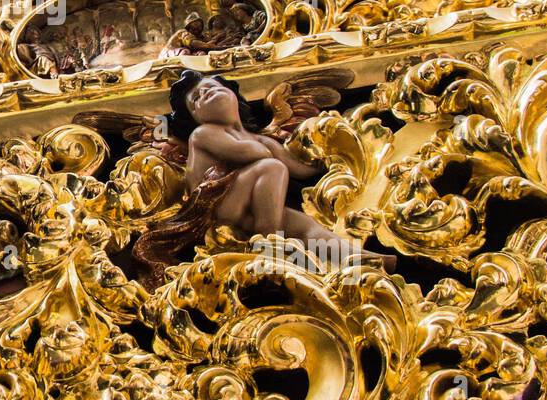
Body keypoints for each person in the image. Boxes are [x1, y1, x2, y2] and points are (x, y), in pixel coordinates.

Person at [132, 70, 391, 288]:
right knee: (271, 168)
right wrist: (269, 150)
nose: (205, 93)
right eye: (196, 99)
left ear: (232, 94)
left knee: (306, 225)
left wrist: (333, 157)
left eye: (210, 87)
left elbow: (300, 170)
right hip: (216, 207)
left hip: (251, 205)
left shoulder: (262, 139)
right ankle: (270, 242)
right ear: (195, 117)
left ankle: (364, 260)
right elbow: (250, 154)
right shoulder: (204, 134)